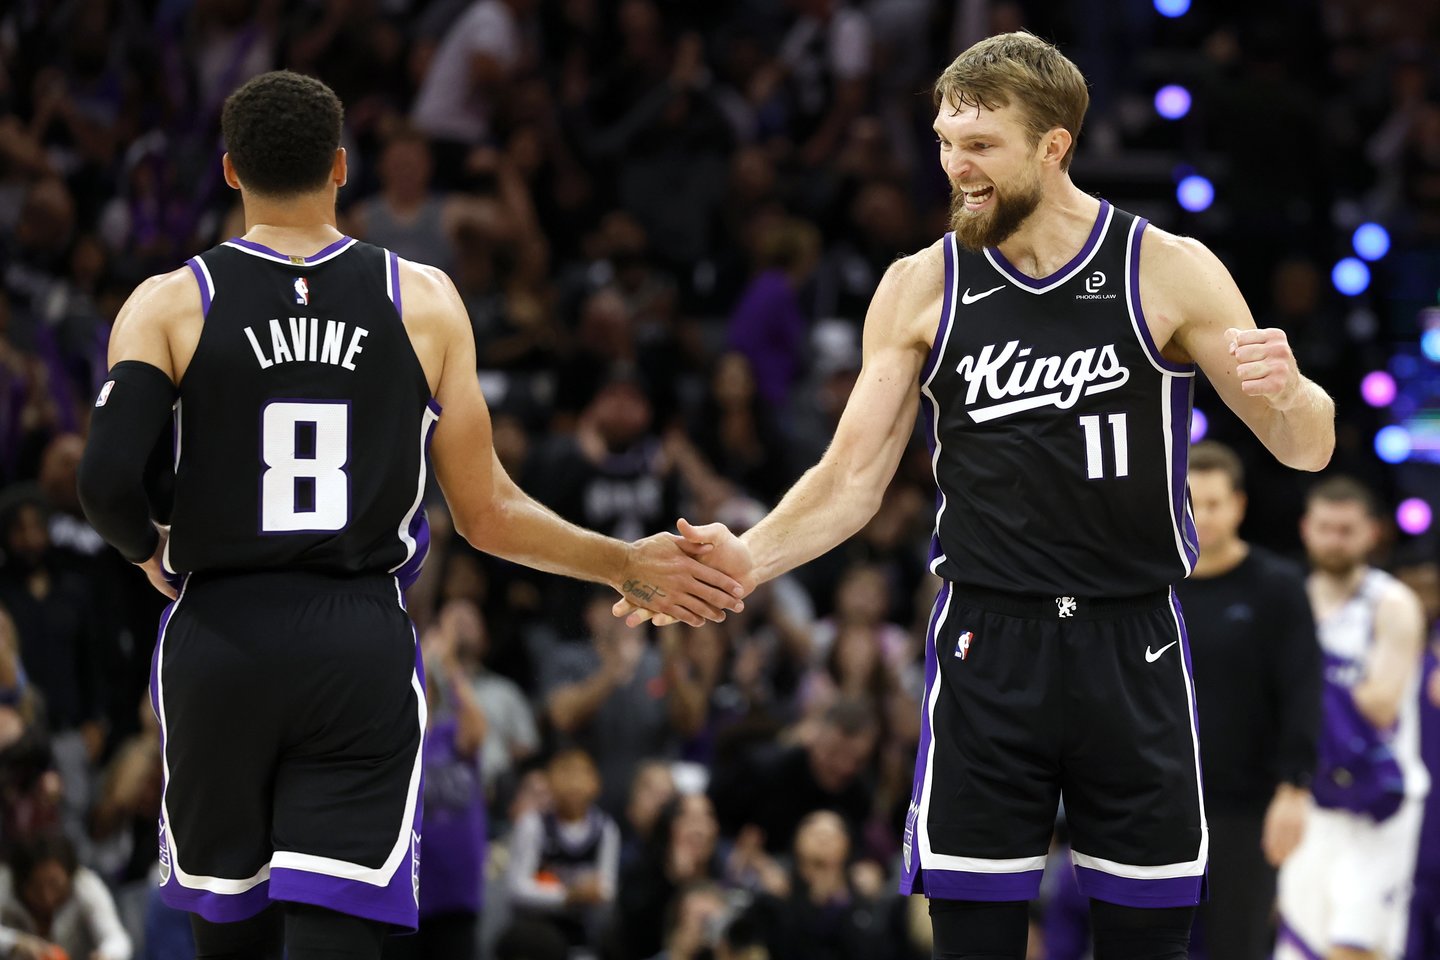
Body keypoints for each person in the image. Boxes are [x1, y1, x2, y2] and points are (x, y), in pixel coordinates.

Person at [620, 30, 1335, 960]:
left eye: (982, 146)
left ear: (1054, 146)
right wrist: (745, 559)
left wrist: (1292, 392)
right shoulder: (921, 284)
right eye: (946, 142)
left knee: (1149, 942)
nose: (957, 167)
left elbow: (1305, 449)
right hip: (987, 643)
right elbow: (850, 479)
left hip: (1133, 638)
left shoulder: (1166, 268)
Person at [74, 70, 746, 960]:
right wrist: (622, 561)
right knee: (340, 935)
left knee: (232, 936)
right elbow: (487, 512)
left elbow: (104, 483)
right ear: (341, 167)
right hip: (356, 640)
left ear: (230, 170)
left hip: (220, 635)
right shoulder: (421, 299)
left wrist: (147, 549)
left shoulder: (170, 301)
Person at [1172, 441, 1321, 960]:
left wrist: (1294, 787)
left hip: (1246, 806)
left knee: (1240, 945)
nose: (1202, 516)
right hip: (1158, 802)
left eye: (1214, 503)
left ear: (1238, 504)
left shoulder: (1276, 586)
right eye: (1190, 502)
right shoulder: (1150, 585)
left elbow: (1302, 689)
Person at [1276, 478, 1429, 960]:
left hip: (1378, 799)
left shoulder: (1392, 604)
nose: (1334, 540)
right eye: (1325, 528)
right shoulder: (1292, 600)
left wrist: (1302, 678)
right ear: (1306, 528)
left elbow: (1381, 704)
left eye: (1346, 530)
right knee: (1299, 944)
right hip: (1313, 798)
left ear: (1372, 533)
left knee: (1356, 947)